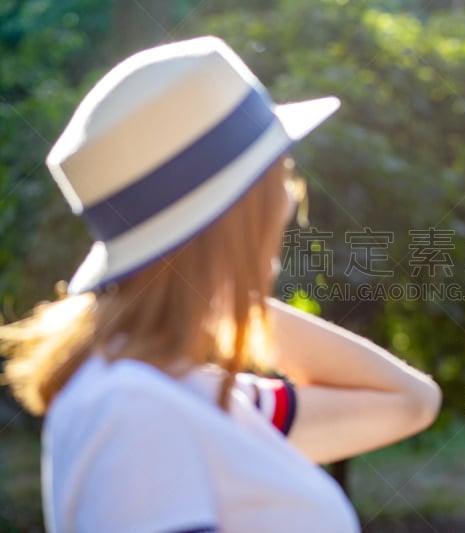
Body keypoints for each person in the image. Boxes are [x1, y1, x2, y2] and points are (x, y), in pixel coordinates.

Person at [0, 36, 441, 533]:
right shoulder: (130, 410)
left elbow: (411, 402)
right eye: (284, 173)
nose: (291, 200)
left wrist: (215, 290)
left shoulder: (198, 398)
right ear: (240, 212)